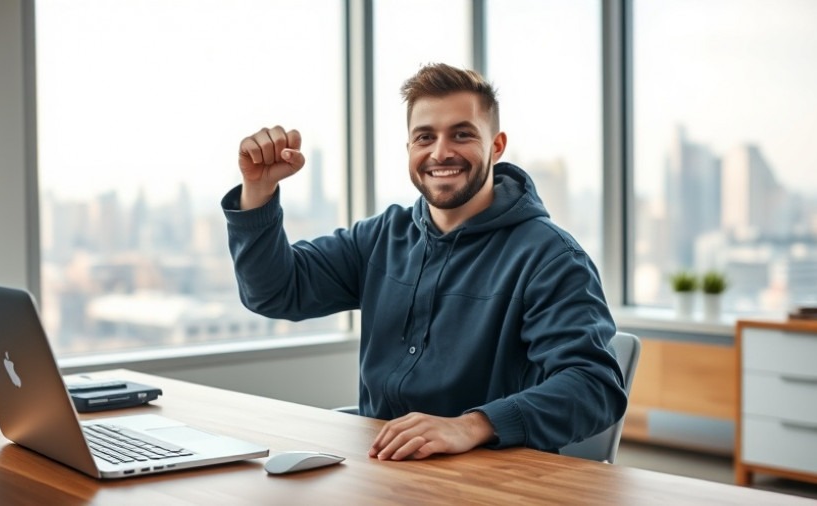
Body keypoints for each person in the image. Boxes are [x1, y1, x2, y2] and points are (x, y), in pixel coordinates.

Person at [221, 63, 627, 461]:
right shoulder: (381, 236)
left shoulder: (550, 257)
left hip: (491, 482)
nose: (441, 152)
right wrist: (259, 189)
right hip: (380, 472)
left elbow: (595, 388)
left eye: (462, 134)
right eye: (424, 137)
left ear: (497, 145)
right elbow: (274, 293)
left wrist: (470, 426)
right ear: (409, 148)